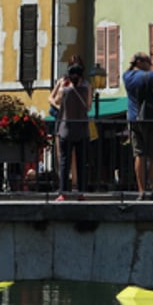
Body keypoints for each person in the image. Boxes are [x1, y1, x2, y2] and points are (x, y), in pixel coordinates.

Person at [123, 52, 153, 201]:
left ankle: (141, 190)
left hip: (133, 119)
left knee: (139, 154)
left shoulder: (126, 76)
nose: (150, 64)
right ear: (139, 62)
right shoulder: (150, 76)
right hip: (151, 119)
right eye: (148, 61)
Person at [49, 63, 91, 201]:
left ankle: (63, 193)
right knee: (81, 162)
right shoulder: (86, 89)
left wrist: (58, 86)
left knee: (64, 162)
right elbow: (89, 106)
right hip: (82, 129)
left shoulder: (64, 91)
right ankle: (81, 193)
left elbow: (54, 101)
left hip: (66, 129)